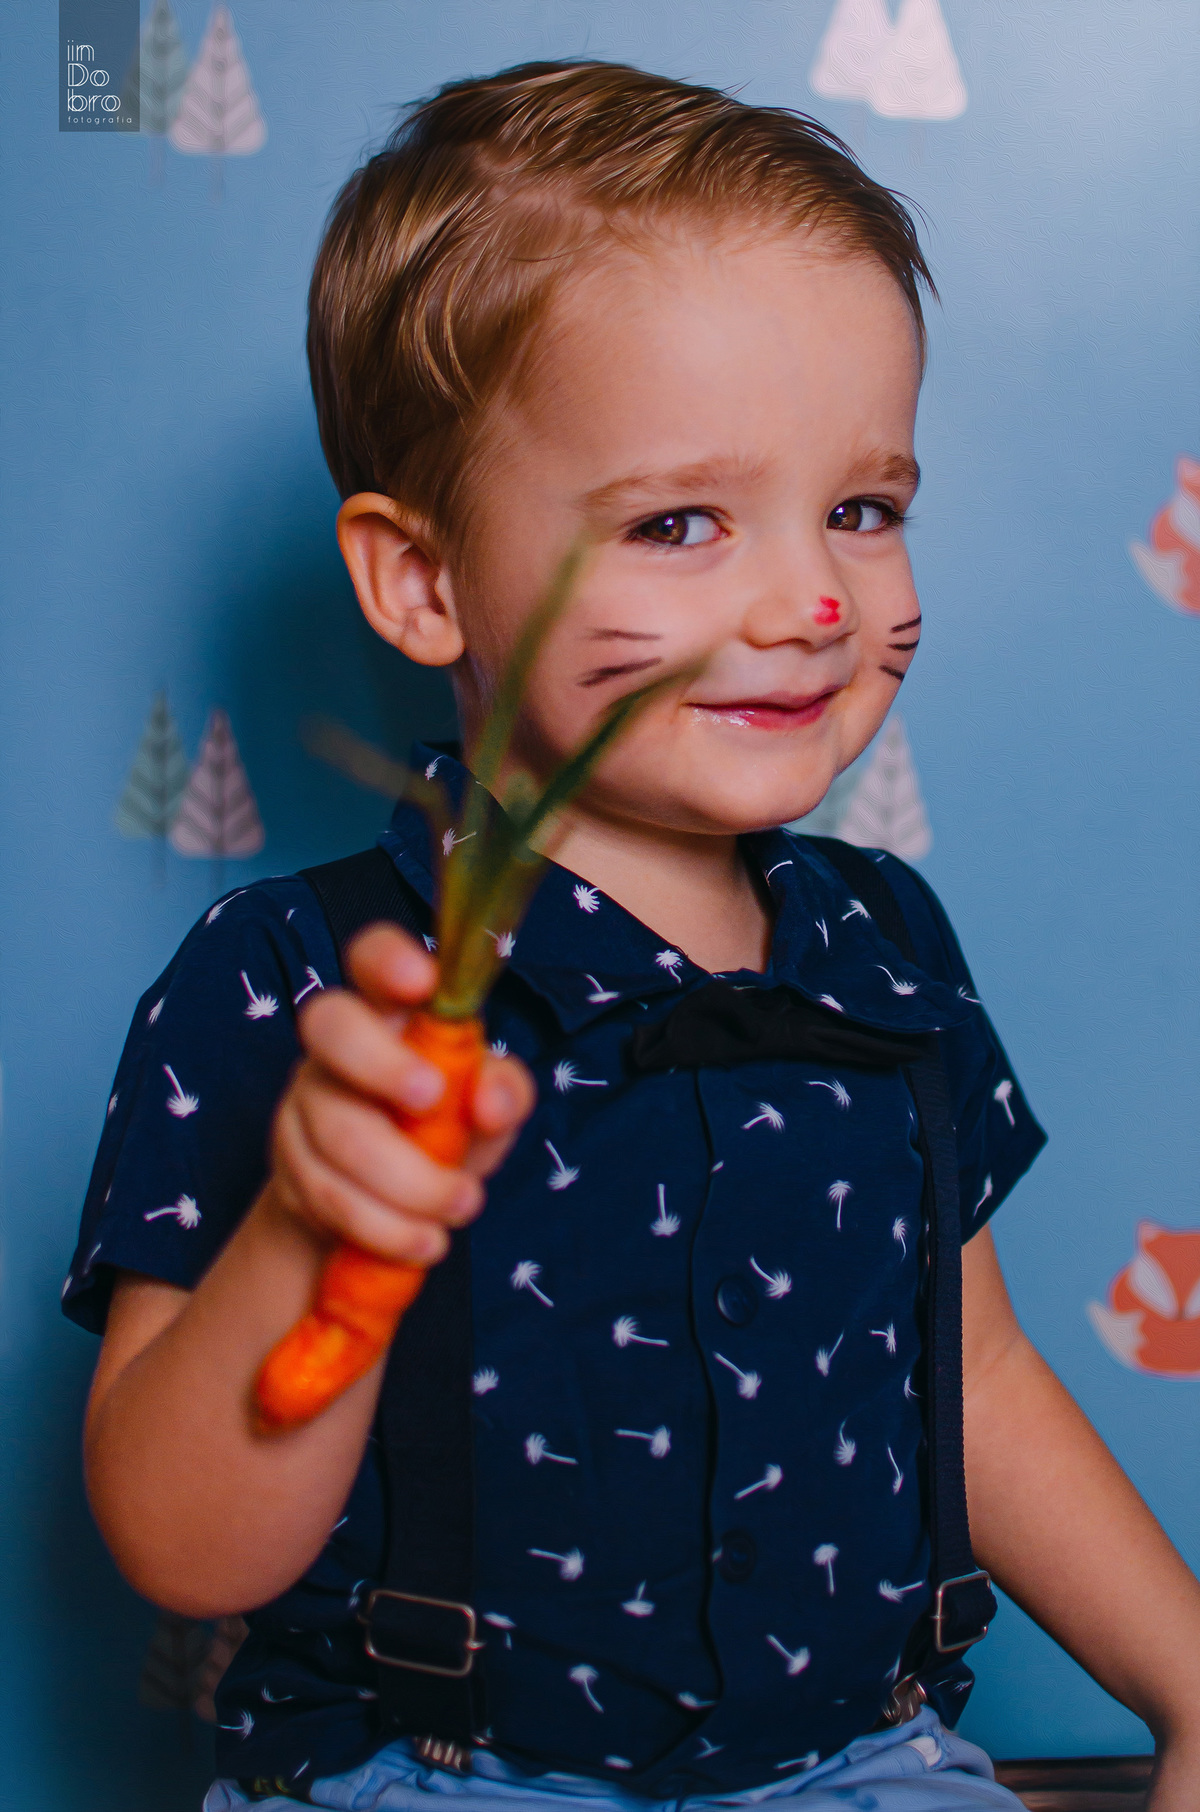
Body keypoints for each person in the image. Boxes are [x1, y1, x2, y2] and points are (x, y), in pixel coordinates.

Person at [66, 60, 1200, 1812]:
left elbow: (970, 1367)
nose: (812, 601)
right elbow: (179, 1543)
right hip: (424, 1774)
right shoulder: (292, 982)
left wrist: (1189, 1688)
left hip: (861, 1763)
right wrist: (317, 1231)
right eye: (681, 522)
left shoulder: (889, 947)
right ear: (425, 582)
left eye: (863, 508)